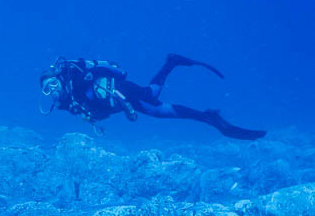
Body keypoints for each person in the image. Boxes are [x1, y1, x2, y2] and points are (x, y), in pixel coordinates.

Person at [38, 54, 266, 140]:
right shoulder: (68, 101)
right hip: (119, 101)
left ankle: (208, 118)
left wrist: (103, 82)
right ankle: (172, 62)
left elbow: (108, 70)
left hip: (120, 91)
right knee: (153, 96)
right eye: (47, 90)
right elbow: (93, 111)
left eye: (53, 84)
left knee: (158, 108)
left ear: (60, 78)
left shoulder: (77, 76)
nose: (52, 91)